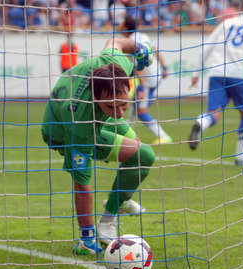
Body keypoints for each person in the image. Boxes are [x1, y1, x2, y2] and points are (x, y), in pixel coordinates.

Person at [41, 37, 155, 255]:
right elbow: (81, 184)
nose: (121, 112)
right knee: (144, 156)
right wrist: (87, 235)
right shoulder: (81, 122)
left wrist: (140, 49)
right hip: (61, 132)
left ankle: (122, 198)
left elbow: (115, 41)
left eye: (124, 104)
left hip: (96, 113)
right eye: (113, 106)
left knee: (137, 151)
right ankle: (104, 223)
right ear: (95, 98)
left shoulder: (114, 64)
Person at [188, 0, 243, 166]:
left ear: (240, 8)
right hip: (240, 76)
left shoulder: (227, 23)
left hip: (217, 73)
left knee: (214, 112)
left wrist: (196, 72)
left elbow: (207, 46)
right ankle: (240, 157)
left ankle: (200, 123)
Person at [120, 16, 173, 145]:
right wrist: (164, 67)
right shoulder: (143, 36)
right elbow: (156, 51)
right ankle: (125, 134)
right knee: (134, 105)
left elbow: (138, 67)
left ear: (126, 28)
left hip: (147, 80)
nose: (119, 26)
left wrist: (142, 88)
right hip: (156, 75)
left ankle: (164, 137)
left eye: (121, 24)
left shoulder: (129, 43)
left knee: (142, 112)